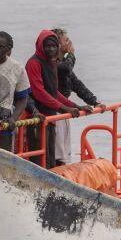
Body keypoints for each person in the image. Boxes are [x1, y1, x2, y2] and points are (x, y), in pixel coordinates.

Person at [25, 29, 91, 169]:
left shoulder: (52, 62)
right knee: (38, 160)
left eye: (54, 46)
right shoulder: (33, 63)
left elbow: (53, 92)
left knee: (50, 158)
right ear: (40, 46)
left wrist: (76, 106)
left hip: (50, 117)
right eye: (47, 46)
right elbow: (39, 92)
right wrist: (64, 108)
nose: (51, 49)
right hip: (36, 117)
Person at [51, 28, 106, 165]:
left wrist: (94, 101)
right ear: (57, 44)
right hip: (54, 110)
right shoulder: (53, 65)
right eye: (66, 40)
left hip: (64, 112)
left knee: (63, 153)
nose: (70, 43)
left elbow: (77, 84)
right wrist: (72, 55)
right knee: (56, 152)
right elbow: (65, 68)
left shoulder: (63, 64)